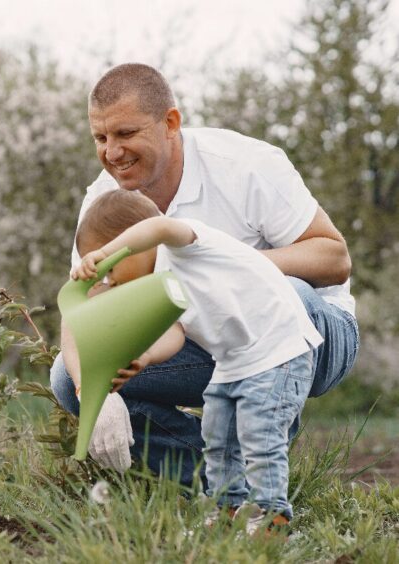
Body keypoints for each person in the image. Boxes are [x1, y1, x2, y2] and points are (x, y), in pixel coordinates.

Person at [50, 63, 359, 483]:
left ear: (171, 123)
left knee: (284, 291)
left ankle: (262, 450)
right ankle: (221, 483)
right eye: (100, 138)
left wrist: (221, 274)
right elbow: (82, 306)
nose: (112, 153)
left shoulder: (244, 165)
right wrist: (91, 391)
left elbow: (334, 259)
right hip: (200, 339)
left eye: (125, 134)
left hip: (313, 332)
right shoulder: (105, 200)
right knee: (67, 377)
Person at [71, 189, 321, 532]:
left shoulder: (183, 240)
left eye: (110, 269)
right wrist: (144, 357)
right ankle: (227, 511)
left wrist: (106, 251)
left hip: (277, 347)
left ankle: (271, 519)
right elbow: (173, 333)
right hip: (233, 360)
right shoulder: (158, 288)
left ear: (129, 244)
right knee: (218, 439)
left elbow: (156, 227)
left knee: (259, 435)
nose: (109, 280)